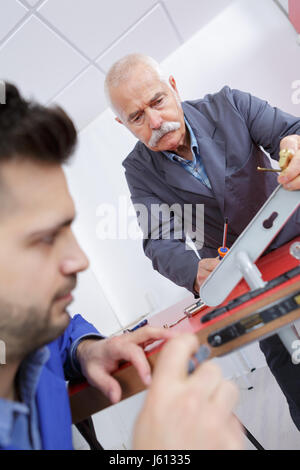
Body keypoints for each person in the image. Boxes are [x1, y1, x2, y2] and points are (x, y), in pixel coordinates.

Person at [0, 83, 243, 450]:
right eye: (43, 238)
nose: (80, 261)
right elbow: (160, 239)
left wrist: (86, 348)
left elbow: (59, 339)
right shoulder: (140, 169)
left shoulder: (27, 330)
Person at [104, 53, 300, 429]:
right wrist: (194, 270)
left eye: (157, 101)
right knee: (292, 373)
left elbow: (289, 130)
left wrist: (295, 143)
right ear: (123, 124)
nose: (155, 122)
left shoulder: (230, 105)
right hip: (242, 280)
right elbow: (159, 239)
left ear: (173, 87)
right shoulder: (139, 170)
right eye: (137, 117)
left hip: (295, 239)